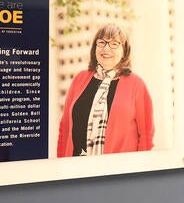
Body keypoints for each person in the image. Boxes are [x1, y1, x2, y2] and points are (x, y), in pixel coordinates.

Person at [57, 23, 154, 157]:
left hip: (119, 172)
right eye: (101, 42)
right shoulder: (79, 79)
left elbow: (146, 135)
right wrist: (61, 167)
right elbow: (65, 128)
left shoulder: (136, 84)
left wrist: (140, 171)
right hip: (76, 169)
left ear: (124, 51)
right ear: (95, 48)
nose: (106, 48)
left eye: (114, 44)